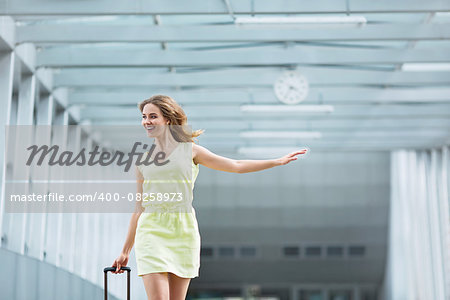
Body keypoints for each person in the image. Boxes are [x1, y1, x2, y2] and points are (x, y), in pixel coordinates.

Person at [111, 94, 308, 300]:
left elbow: (236, 166)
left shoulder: (191, 151)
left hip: (183, 231)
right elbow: (138, 207)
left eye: (153, 116)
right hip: (150, 232)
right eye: (144, 117)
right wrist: (125, 251)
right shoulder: (142, 159)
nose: (147, 122)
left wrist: (276, 161)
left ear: (167, 120)